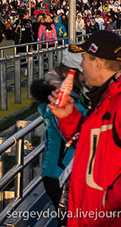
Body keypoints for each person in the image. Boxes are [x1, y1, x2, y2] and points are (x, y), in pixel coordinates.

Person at [48, 31, 121, 226]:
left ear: (98, 63)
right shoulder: (108, 97)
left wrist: (107, 205)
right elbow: (95, 148)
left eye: (85, 59)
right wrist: (68, 117)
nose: (81, 65)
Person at [30, 50, 87, 226]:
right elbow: (75, 133)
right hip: (60, 173)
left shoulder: (69, 96)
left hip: (59, 171)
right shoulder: (63, 100)